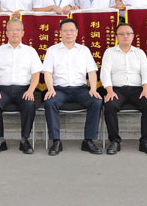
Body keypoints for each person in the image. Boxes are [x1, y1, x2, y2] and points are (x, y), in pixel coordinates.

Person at [42, 18, 103, 156]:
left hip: (80, 89)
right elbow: (48, 72)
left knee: (96, 101)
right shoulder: (52, 50)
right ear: (60, 33)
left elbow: (92, 72)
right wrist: (50, 89)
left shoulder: (84, 50)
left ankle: (88, 140)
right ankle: (56, 141)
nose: (68, 33)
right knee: (50, 102)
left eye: (71, 30)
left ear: (76, 32)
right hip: (59, 90)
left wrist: (93, 89)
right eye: (65, 30)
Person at [0, 18, 42, 154]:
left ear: (23, 33)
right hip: (2, 90)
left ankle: (24, 140)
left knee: (29, 103)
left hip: (24, 89)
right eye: (11, 30)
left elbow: (36, 74)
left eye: (17, 30)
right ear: (7, 33)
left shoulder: (30, 51)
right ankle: (0, 140)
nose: (14, 33)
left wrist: (30, 91)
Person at [101, 23, 147, 155]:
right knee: (110, 106)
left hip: (138, 90)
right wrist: (109, 91)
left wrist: (146, 89)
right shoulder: (110, 52)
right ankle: (115, 141)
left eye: (128, 33)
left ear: (133, 36)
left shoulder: (139, 53)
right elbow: (105, 73)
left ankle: (145, 142)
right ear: (116, 37)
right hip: (116, 90)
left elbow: (146, 72)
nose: (125, 36)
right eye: (121, 34)